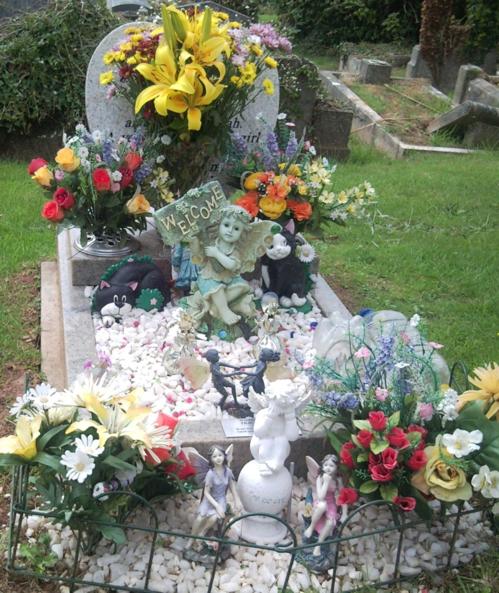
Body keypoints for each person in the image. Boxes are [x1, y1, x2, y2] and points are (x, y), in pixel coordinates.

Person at [187, 205, 274, 327]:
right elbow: (198, 255)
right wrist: (194, 242)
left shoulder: (235, 250)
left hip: (229, 279)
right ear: (218, 225)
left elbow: (232, 265)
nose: (230, 230)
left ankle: (215, 307)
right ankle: (224, 311)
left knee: (242, 287)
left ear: (242, 233)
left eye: (236, 228)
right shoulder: (211, 243)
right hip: (209, 279)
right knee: (217, 289)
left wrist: (216, 254)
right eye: (226, 225)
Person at [186, 445, 240, 549]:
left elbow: (232, 487)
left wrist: (237, 500)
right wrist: (216, 506)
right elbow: (206, 493)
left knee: (214, 517)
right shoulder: (210, 474)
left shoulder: (228, 472)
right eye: (214, 456)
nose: (218, 458)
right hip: (209, 499)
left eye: (220, 455)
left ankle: (202, 533)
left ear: (224, 456)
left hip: (221, 499)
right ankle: (191, 539)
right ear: (211, 459)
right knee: (199, 519)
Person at [304, 454, 341, 556]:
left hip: (331, 504)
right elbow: (321, 497)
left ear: (336, 467)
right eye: (326, 465)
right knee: (322, 505)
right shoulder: (319, 478)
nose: (328, 468)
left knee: (330, 523)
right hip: (320, 502)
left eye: (331, 465)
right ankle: (311, 527)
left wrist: (344, 511)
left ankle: (318, 545)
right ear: (322, 466)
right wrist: (326, 482)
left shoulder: (338, 480)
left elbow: (341, 495)